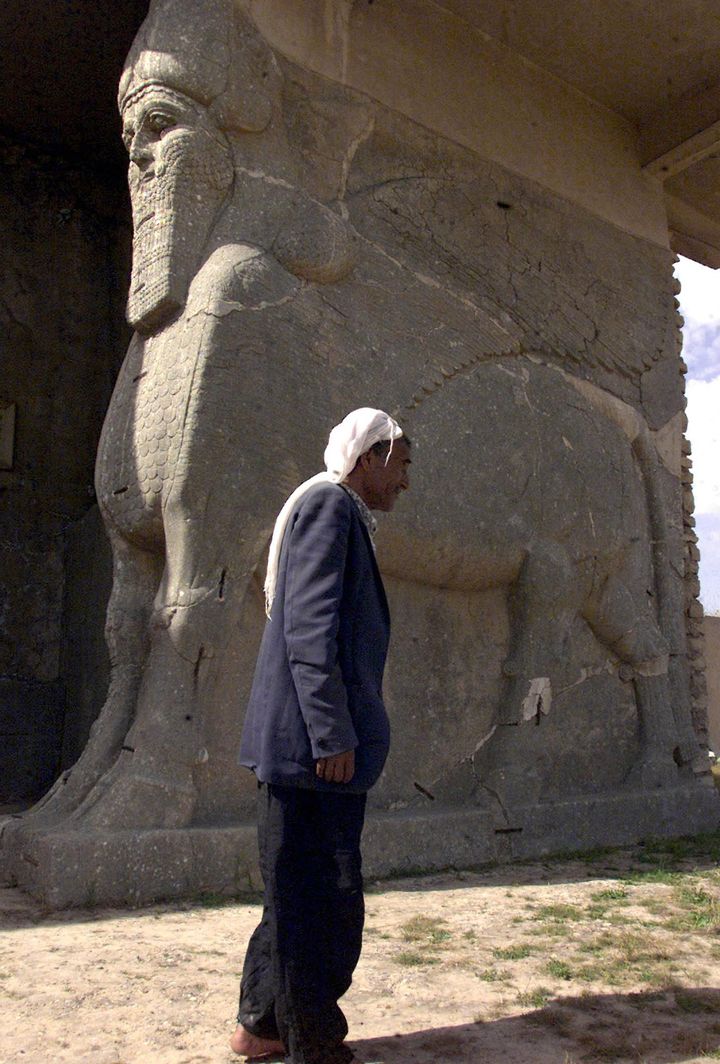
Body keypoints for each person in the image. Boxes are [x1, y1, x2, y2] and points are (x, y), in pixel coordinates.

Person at [231, 408, 411, 1064]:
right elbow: (308, 630)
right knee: (321, 903)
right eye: (403, 462)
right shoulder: (330, 509)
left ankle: (261, 1025)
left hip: (310, 749)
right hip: (313, 752)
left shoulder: (338, 514)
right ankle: (314, 1043)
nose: (407, 480)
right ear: (369, 457)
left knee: (293, 893)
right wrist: (333, 735)